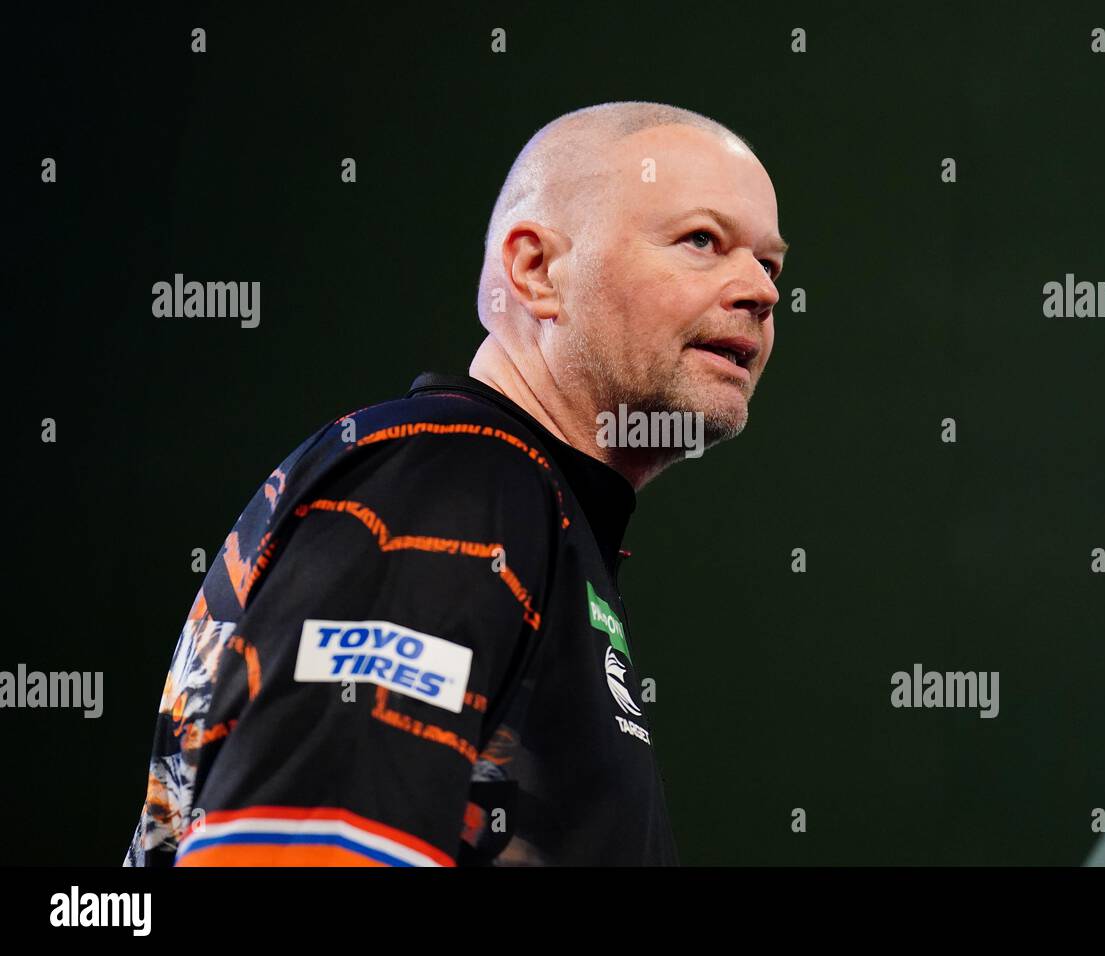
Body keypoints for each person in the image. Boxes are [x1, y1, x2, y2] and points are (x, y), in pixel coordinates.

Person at [123, 100, 788, 866]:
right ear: (536, 271)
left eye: (770, 265)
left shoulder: (532, 510)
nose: (762, 291)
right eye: (702, 240)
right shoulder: (456, 480)